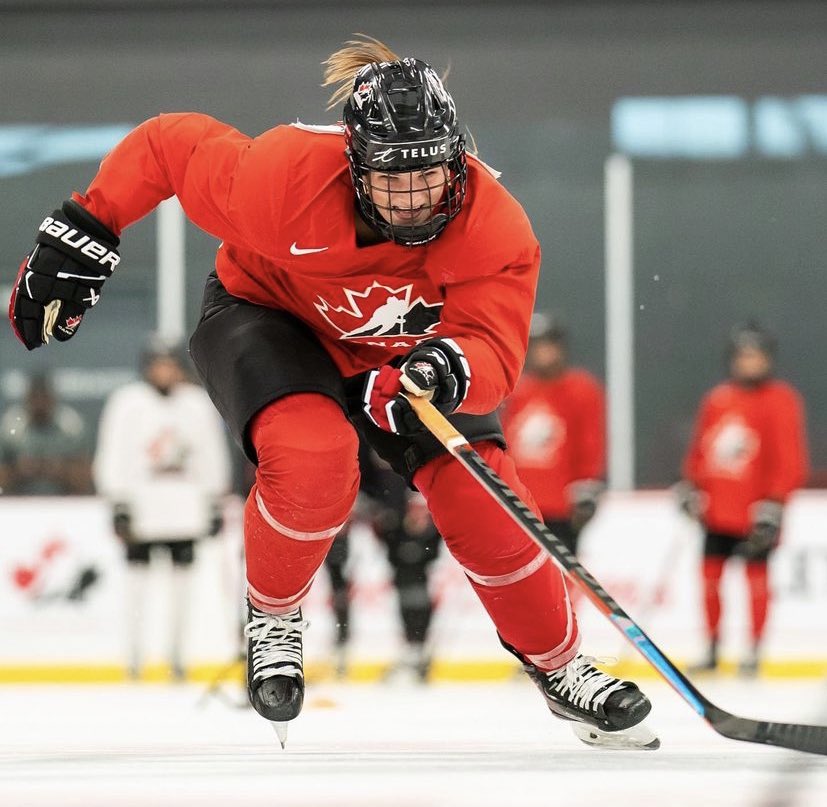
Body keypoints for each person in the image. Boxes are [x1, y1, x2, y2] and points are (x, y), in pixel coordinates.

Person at [8, 35, 656, 750]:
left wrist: (442, 367)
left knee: (484, 495)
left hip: (406, 358)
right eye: (390, 179)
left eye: (430, 176)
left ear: (457, 157)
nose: (413, 200)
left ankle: (559, 665)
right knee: (313, 457)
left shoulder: (494, 225)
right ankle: (275, 616)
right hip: (269, 319)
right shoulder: (281, 178)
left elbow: (492, 352)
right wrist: (87, 225)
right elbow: (166, 146)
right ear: (352, 166)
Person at [93, 337, 231, 679]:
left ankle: (177, 656)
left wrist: (213, 501)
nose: (164, 370)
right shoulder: (127, 403)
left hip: (185, 510)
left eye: (169, 363)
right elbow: (114, 452)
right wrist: (119, 501)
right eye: (158, 363)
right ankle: (135, 657)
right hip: (143, 509)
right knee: (137, 587)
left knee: (182, 588)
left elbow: (211, 454)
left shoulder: (197, 404)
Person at [677, 322, 808, 676]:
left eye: (756, 356)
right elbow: (702, 450)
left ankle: (753, 650)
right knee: (709, 579)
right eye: (743, 356)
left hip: (756, 512)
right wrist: (691, 485)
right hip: (718, 509)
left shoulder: (781, 400)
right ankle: (713, 646)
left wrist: (775, 503)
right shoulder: (718, 399)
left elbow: (789, 458)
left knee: (756, 581)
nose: (749, 363)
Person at [325, 437, 441, 682]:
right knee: (340, 570)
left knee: (412, 580)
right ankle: (342, 646)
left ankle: (416, 650)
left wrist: (422, 500)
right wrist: (355, 499)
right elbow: (362, 462)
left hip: (411, 505)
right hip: (387, 510)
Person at [500, 313, 606, 559]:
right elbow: (505, 441)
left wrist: (587, 485)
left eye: (548, 346)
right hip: (521, 501)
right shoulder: (518, 390)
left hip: (561, 504)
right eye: (537, 347)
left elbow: (590, 441)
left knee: (561, 575)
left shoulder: (581, 389)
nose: (543, 353)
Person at [0, 372, 91, 495]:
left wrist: (58, 469)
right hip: (18, 504)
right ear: (27, 399)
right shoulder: (11, 428)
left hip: (65, 504)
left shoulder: (71, 427)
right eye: (35, 398)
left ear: (53, 399)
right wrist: (19, 470)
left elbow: (85, 478)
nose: (40, 404)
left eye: (44, 398)